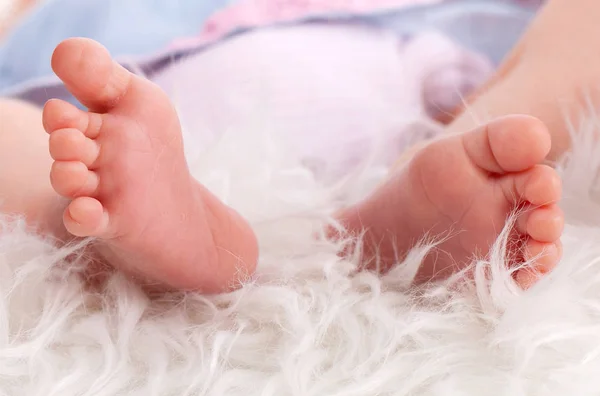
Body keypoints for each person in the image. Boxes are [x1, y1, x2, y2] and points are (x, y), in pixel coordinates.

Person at [0, 0, 576, 293]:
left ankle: (429, 186)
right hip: (115, 101)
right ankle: (105, 221)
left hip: (417, 69)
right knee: (29, 139)